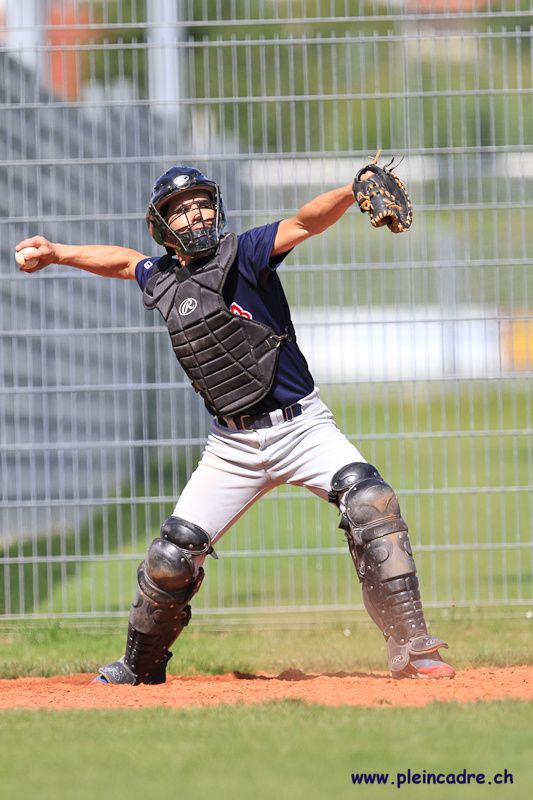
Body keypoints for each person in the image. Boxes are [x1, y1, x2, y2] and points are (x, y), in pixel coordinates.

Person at [16, 164, 455, 683]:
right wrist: (58, 253)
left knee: (371, 502)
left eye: (203, 204)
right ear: (162, 227)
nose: (196, 214)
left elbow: (304, 223)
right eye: (182, 209)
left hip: (302, 428)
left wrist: (350, 189)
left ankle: (412, 645)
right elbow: (125, 262)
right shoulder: (162, 277)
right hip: (232, 446)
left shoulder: (244, 253)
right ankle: (139, 667)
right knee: (170, 557)